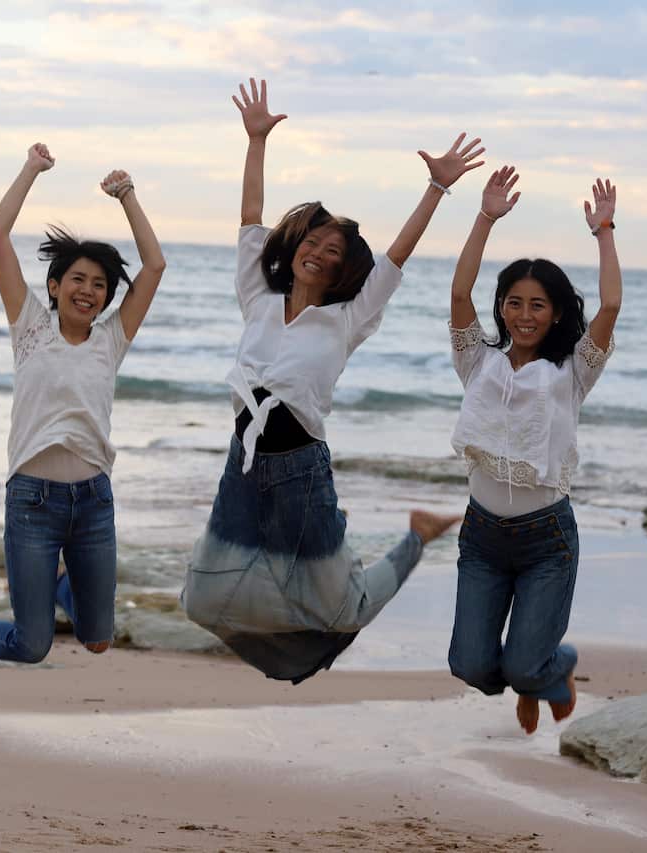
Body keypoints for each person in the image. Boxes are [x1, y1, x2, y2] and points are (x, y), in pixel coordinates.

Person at [181, 78, 474, 683]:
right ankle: (287, 660)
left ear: (343, 267)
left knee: (343, 609)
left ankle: (417, 538)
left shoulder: (347, 319)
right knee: (202, 601)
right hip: (243, 465)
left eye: (333, 250)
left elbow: (396, 257)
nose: (318, 251)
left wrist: (437, 187)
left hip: (300, 472)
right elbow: (250, 218)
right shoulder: (258, 297)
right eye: (312, 241)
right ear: (294, 248)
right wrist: (257, 141)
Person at [0, 143, 166, 671]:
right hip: (32, 502)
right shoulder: (30, 327)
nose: (89, 291)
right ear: (55, 287)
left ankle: (61, 582)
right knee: (32, 644)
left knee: (97, 639)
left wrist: (128, 197)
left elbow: (154, 265)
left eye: (100, 285)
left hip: (93, 502)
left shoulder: (111, 339)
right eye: (78, 280)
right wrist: (31, 170)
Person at [445, 167, 621, 733]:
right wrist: (485, 217)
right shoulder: (477, 361)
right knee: (470, 667)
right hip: (482, 538)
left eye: (538, 305)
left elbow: (610, 306)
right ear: (501, 307)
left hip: (547, 540)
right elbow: (459, 293)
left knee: (523, 664)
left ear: (557, 312)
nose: (524, 315)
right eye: (514, 303)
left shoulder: (573, 372)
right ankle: (534, 674)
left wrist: (604, 232)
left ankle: (544, 670)